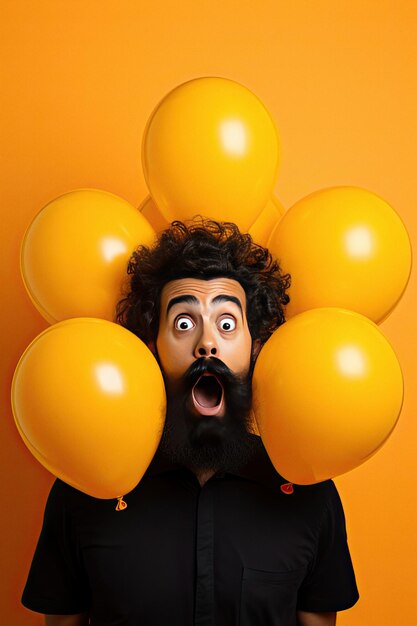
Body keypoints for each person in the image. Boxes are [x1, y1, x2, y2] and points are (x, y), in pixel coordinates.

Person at [22, 220, 359, 626]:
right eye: (183, 323)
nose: (206, 342)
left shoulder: (308, 493)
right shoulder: (83, 486)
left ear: (255, 349)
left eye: (227, 323)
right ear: (151, 347)